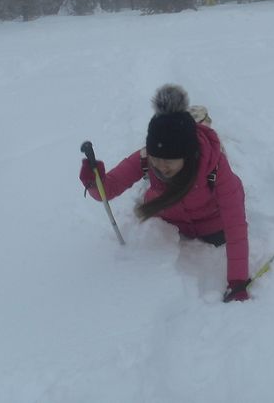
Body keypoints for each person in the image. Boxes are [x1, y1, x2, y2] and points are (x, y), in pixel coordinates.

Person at [80, 84, 251, 302]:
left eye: (169, 161)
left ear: (188, 155)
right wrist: (93, 182)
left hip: (211, 224)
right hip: (168, 222)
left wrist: (238, 281)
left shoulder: (217, 169)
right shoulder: (146, 157)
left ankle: (202, 123)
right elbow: (107, 191)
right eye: (156, 160)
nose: (161, 167)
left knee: (220, 234)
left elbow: (236, 226)